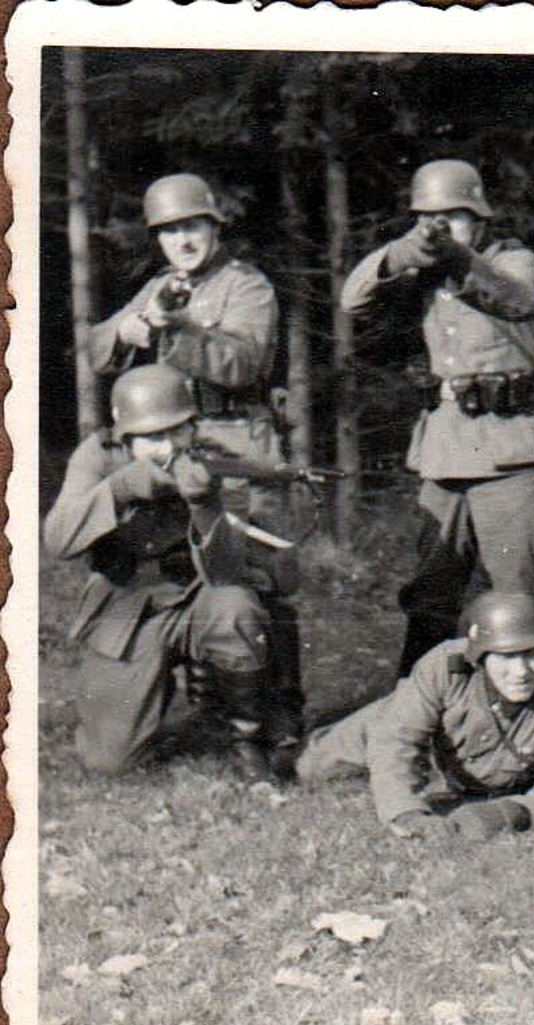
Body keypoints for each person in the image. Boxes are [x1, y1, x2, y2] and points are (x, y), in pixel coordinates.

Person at [87, 171, 302, 741]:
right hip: (173, 448)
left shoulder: (245, 284)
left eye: (193, 227)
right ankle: (215, 702)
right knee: (188, 569)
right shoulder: (159, 284)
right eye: (170, 231)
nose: (183, 241)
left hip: (236, 439)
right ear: (158, 239)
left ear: (214, 226)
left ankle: (278, 713)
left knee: (256, 574)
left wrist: (174, 325)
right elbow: (97, 349)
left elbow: (245, 364)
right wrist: (136, 324)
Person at [341, 159, 534, 674]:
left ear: (479, 218)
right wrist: (402, 253)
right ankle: (417, 703)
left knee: (521, 592)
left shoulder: (514, 260)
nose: (441, 228)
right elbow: (353, 301)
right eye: (429, 218)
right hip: (447, 448)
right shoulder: (423, 272)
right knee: (430, 590)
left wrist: (458, 258)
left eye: (455, 217)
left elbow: (519, 299)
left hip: (512, 447)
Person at [43, 364, 296, 778]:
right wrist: (121, 489)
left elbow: (228, 569)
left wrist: (204, 505)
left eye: (175, 431)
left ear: (192, 426)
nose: (164, 447)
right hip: (129, 605)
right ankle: (166, 695)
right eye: (151, 437)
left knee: (235, 606)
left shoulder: (213, 458)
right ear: (125, 436)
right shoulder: (99, 455)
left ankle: (244, 735)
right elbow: (57, 539)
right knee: (110, 761)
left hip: (202, 595)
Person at [294, 592, 534, 840]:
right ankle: (318, 731)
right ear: (480, 657)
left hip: (461, 771)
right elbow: (397, 739)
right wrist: (406, 812)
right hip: (408, 732)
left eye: (532, 654)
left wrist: (509, 813)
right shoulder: (446, 666)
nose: (521, 671)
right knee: (309, 767)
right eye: (507, 656)